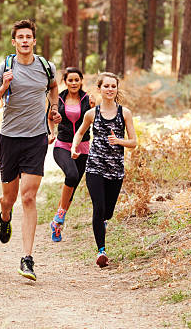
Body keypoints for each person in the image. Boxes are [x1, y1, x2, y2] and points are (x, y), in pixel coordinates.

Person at [0, 19, 60, 281]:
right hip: (9, 139)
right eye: (20, 37)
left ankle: (27, 259)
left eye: (29, 37)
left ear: (34, 41)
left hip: (36, 138)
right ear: (14, 42)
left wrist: (54, 109)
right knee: (9, 199)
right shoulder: (6, 66)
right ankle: (5, 216)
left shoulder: (46, 67)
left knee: (28, 197)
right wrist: (3, 86)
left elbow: (53, 87)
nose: (25, 41)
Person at [71, 72, 137, 268]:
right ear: (99, 89)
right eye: (106, 86)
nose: (109, 89)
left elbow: (133, 142)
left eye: (113, 86)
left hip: (115, 169)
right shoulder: (92, 114)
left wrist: (119, 141)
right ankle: (101, 251)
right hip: (95, 167)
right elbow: (80, 132)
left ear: (117, 89)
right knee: (98, 208)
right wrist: (75, 147)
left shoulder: (125, 113)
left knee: (107, 212)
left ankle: (103, 224)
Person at [49, 67, 95, 242]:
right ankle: (60, 214)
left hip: (83, 147)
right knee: (71, 174)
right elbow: (49, 117)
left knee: (72, 187)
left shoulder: (88, 99)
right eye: (70, 80)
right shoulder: (58, 99)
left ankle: (57, 223)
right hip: (63, 145)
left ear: (81, 81)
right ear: (65, 81)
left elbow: (95, 117)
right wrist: (51, 131)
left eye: (77, 80)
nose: (74, 83)